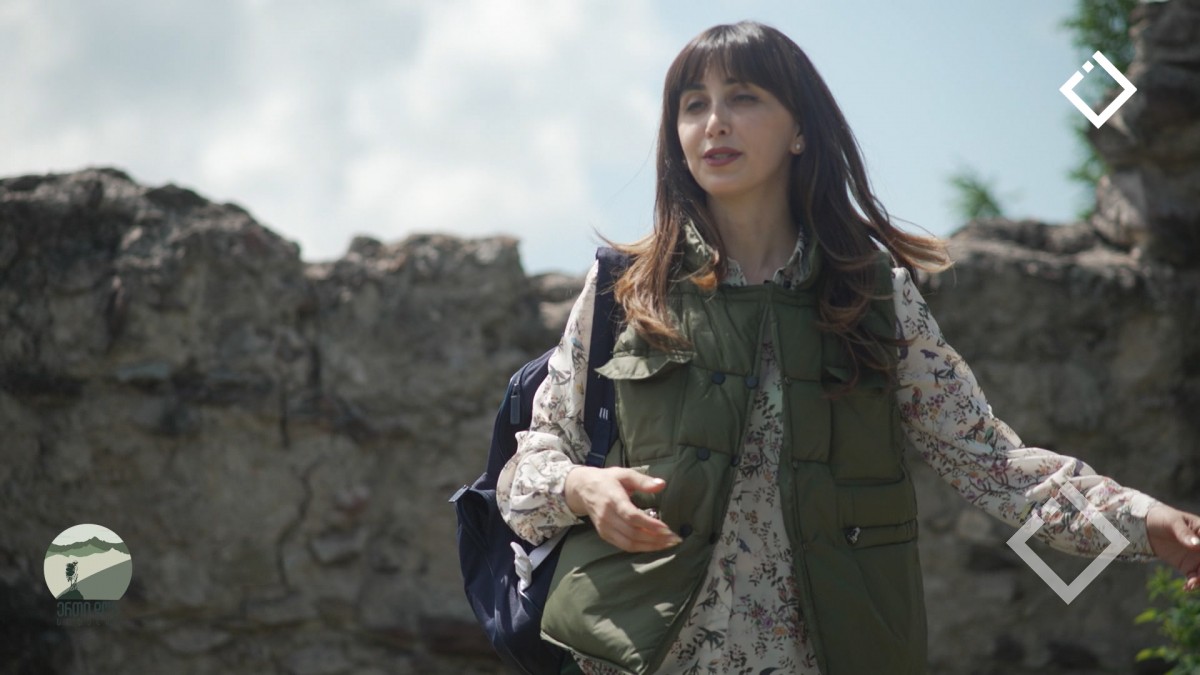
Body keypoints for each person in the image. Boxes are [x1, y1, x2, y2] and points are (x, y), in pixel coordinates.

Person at [497, 20, 1200, 675]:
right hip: (644, 656)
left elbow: (992, 464)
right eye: (693, 104)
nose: (714, 122)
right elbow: (523, 476)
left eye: (743, 97)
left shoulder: (875, 298)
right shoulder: (626, 288)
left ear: (801, 130)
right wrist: (581, 488)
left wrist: (1146, 522)